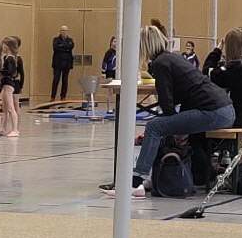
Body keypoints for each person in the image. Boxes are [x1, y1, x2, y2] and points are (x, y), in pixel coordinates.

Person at [99, 24, 233, 194]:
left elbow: (167, 104)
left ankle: (135, 182)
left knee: (154, 127)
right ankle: (148, 178)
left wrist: (170, 124)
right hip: (222, 109)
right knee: (160, 126)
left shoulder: (161, 64)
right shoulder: (171, 58)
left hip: (214, 112)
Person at [2, 36, 24, 137]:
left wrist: (21, 86)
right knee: (6, 107)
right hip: (8, 83)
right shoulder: (6, 57)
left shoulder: (15, 58)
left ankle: (15, 128)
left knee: (14, 106)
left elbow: (20, 73)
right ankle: (4, 127)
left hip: (14, 83)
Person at [50, 25, 75, 102]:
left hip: (67, 63)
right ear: (60, 31)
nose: (63, 32)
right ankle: (53, 97)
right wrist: (66, 48)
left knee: (65, 80)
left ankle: (63, 97)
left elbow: (71, 46)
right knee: (56, 80)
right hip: (57, 63)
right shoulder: (56, 39)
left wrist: (62, 46)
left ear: (67, 31)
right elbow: (56, 48)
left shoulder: (70, 40)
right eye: (62, 30)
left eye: (65, 30)